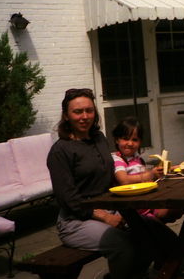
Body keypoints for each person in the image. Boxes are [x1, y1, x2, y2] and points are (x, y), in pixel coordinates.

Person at [46, 88, 159, 279]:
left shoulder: (99, 138)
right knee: (123, 245)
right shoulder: (60, 151)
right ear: (66, 116)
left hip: (111, 208)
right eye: (77, 111)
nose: (84, 116)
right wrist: (105, 217)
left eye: (89, 110)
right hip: (76, 220)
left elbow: (111, 177)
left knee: (151, 234)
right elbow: (68, 200)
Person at [111, 116, 182, 222]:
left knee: (182, 204)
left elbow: (147, 177)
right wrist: (149, 174)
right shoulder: (117, 159)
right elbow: (124, 180)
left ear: (140, 142)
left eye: (135, 140)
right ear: (117, 139)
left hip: (149, 204)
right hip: (134, 211)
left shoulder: (136, 158)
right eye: (125, 138)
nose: (130, 143)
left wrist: (169, 169)